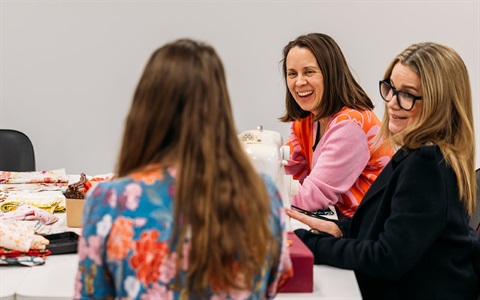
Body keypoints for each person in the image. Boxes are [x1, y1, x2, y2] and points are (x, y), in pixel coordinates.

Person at [75, 38, 293, 299]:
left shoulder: (108, 201)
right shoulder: (264, 194)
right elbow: (272, 283)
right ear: (219, 110)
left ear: (144, 111)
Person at [286, 42, 480, 299]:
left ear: (438, 103)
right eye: (390, 89)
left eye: (407, 95)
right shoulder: (419, 152)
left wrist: (307, 243)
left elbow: (387, 258)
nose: (392, 102)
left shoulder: (428, 165)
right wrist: (340, 229)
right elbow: (393, 227)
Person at [280, 33, 394, 218]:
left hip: (365, 231)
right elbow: (287, 174)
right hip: (341, 222)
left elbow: (312, 197)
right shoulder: (306, 120)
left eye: (309, 72)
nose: (299, 82)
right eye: (292, 74)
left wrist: (258, 196)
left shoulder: (351, 124)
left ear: (330, 74)